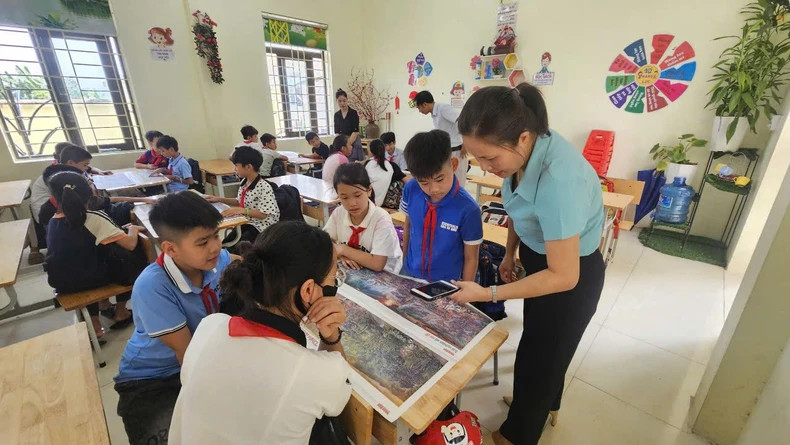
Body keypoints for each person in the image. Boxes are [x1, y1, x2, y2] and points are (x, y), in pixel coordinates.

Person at [451, 84, 605, 445]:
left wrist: (488, 290)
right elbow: (520, 211)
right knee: (537, 346)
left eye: (490, 159)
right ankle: (539, 404)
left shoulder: (559, 180)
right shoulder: (525, 154)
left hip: (572, 276)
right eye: (478, 159)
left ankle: (517, 434)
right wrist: (509, 254)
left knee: (544, 358)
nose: (486, 169)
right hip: (539, 261)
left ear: (522, 138)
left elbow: (564, 275)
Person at [168, 221, 352, 444]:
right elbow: (341, 391)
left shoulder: (210, 326)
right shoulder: (311, 373)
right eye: (333, 280)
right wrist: (331, 336)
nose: (333, 287)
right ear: (308, 290)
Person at [114, 191, 238, 445]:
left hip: (202, 358)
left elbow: (240, 262)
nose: (216, 246)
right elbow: (188, 356)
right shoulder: (153, 286)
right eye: (203, 242)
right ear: (171, 248)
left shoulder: (216, 261)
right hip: (151, 379)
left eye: (216, 235)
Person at [44, 171, 147, 337]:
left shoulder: (53, 220)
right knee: (133, 256)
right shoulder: (92, 217)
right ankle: (121, 312)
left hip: (62, 281)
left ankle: (96, 322)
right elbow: (130, 244)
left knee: (81, 262)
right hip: (92, 279)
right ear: (90, 195)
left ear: (55, 198)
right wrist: (133, 229)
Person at [399, 130, 482, 282]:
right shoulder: (411, 189)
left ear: (454, 164)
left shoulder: (468, 209)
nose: (433, 189)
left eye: (439, 179)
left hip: (445, 283)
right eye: (424, 182)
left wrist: (465, 291)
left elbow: (471, 258)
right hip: (409, 272)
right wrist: (404, 264)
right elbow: (408, 226)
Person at [325, 163, 403, 273]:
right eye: (344, 197)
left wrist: (343, 249)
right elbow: (326, 243)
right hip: (354, 270)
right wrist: (341, 255)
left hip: (385, 275)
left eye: (357, 195)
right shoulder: (339, 212)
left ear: (369, 190)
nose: (352, 203)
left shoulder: (381, 218)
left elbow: (377, 264)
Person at [205, 146, 280, 246]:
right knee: (226, 243)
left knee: (238, 246)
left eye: (236, 166)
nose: (235, 169)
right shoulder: (245, 182)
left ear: (248, 167)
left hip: (262, 227)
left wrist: (242, 210)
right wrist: (219, 199)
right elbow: (239, 201)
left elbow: (264, 214)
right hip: (247, 221)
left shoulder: (264, 187)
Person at [29, 142, 78, 264]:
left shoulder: (59, 167)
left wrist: (96, 170)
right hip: (48, 209)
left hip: (52, 204)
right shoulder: (55, 174)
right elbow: (67, 196)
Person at [415, 90, 468, 186]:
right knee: (448, 182)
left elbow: (462, 121)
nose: (419, 111)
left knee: (458, 183)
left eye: (418, 108)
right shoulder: (434, 113)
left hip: (456, 150)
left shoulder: (443, 108)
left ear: (424, 104)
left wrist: (465, 143)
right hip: (447, 152)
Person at [364, 138, 409, 208]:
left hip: (367, 202)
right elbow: (407, 179)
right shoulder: (391, 166)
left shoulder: (368, 164)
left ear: (371, 151)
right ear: (384, 150)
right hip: (379, 203)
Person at [333, 89, 366, 162]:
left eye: (344, 101)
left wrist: (348, 145)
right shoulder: (336, 115)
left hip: (353, 140)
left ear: (347, 100)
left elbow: (355, 131)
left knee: (356, 164)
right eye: (339, 101)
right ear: (336, 101)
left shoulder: (353, 113)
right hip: (343, 144)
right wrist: (341, 146)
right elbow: (337, 133)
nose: (342, 103)